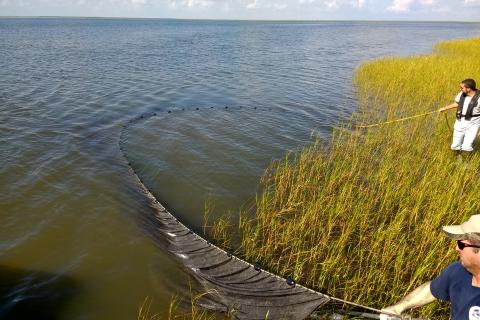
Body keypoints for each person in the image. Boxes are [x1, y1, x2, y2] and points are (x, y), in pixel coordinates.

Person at [380, 215, 480, 320]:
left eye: (461, 244)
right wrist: (397, 308)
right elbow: (431, 290)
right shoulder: (458, 271)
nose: (456, 248)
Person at [439, 79, 480, 152]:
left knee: (467, 147)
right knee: (455, 146)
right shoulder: (461, 94)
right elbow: (457, 103)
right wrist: (445, 108)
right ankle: (458, 159)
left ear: (468, 89)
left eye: (461, 88)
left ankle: (466, 161)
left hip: (473, 125)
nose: (460, 89)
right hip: (459, 123)